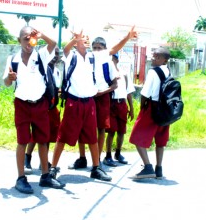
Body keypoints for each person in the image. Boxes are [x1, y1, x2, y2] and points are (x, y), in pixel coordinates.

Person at [3, 26, 65, 194]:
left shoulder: (41, 56)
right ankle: (21, 178)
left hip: (40, 104)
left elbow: (53, 44)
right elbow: (7, 83)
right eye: (25, 38)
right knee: (22, 141)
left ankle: (45, 176)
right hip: (22, 104)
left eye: (31, 38)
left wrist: (41, 34)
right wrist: (9, 78)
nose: (29, 41)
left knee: (43, 140)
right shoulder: (13, 59)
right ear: (19, 40)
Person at [68, 26, 138, 170]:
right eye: (94, 47)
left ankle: (97, 159)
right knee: (83, 128)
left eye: (100, 48)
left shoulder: (108, 62)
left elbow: (114, 84)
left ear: (105, 49)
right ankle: (82, 157)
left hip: (102, 97)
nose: (97, 50)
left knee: (100, 129)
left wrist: (127, 37)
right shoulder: (87, 58)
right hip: (87, 97)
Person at [49, 30, 113, 182]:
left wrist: (127, 37)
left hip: (89, 102)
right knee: (63, 136)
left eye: (86, 38)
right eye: (82, 38)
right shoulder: (71, 56)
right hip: (74, 102)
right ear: (76, 42)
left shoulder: (92, 57)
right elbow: (65, 49)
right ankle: (53, 168)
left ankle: (96, 168)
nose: (85, 40)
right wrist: (74, 39)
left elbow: (113, 50)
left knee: (92, 137)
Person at [129, 47, 171, 179]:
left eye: (156, 56)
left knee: (137, 136)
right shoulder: (168, 71)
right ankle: (159, 169)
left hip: (152, 108)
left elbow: (145, 94)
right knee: (160, 139)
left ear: (163, 59)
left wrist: (142, 109)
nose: (153, 58)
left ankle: (148, 167)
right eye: (153, 56)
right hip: (165, 109)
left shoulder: (153, 72)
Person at [24, 47, 62, 174]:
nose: (55, 56)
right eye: (53, 54)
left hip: (52, 106)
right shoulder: (40, 68)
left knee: (49, 134)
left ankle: (43, 161)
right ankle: (27, 158)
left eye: (57, 54)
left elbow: (55, 87)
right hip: (42, 105)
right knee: (37, 133)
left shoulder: (56, 71)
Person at [103, 53, 135, 167]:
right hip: (111, 103)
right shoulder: (106, 74)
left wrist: (131, 108)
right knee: (111, 131)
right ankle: (108, 155)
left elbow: (129, 92)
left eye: (113, 58)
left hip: (122, 103)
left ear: (117, 59)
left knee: (122, 131)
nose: (111, 61)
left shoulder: (124, 74)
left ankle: (118, 153)